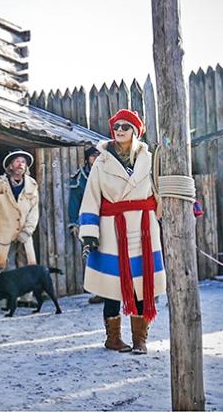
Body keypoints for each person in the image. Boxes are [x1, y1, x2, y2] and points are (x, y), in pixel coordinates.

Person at [79, 109, 166, 354]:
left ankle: (140, 339)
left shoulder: (150, 159)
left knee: (141, 282)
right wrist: (89, 232)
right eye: (116, 126)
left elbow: (160, 189)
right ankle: (113, 339)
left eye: (125, 127)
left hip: (143, 227)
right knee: (112, 286)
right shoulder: (101, 161)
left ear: (135, 131)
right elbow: (91, 196)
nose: (119, 130)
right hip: (112, 228)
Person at [0, 149, 39, 278]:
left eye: (23, 162)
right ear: (10, 166)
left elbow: (34, 211)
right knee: (6, 268)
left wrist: (27, 231)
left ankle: (26, 292)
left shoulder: (32, 185)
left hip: (24, 234)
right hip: (4, 235)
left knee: (27, 269)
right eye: (17, 161)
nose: (20, 164)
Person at [68, 146, 103, 305]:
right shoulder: (80, 178)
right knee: (93, 255)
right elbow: (74, 201)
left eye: (98, 155)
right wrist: (74, 223)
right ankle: (100, 291)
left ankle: (115, 290)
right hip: (88, 220)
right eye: (92, 156)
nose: (95, 158)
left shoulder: (108, 172)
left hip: (108, 218)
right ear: (88, 158)